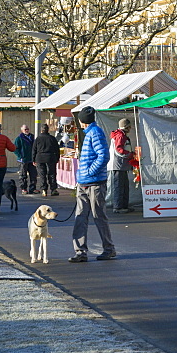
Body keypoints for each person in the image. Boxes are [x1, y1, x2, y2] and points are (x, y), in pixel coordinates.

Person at [69, 106, 115, 262]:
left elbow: (104, 156)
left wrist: (88, 172)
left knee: (97, 216)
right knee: (81, 217)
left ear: (82, 121)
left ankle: (107, 249)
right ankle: (81, 251)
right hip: (84, 182)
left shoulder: (95, 133)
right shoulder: (91, 133)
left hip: (94, 182)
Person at [110, 118, 135, 213]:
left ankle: (124, 206)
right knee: (119, 186)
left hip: (121, 165)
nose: (130, 128)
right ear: (126, 127)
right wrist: (130, 154)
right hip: (119, 164)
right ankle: (118, 207)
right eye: (129, 127)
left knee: (124, 186)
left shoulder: (120, 135)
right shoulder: (120, 136)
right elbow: (119, 150)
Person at [33, 123, 62, 197]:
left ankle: (44, 190)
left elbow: (34, 150)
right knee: (52, 173)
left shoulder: (38, 139)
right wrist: (57, 158)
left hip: (40, 158)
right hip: (51, 157)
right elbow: (57, 149)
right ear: (47, 130)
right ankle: (53, 189)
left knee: (42, 174)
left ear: (41, 130)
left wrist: (33, 159)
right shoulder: (52, 138)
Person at [15, 124, 38, 195]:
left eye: (27, 129)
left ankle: (32, 188)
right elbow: (15, 149)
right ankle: (24, 188)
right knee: (23, 175)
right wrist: (20, 156)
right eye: (25, 129)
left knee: (33, 174)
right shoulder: (19, 138)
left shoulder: (33, 137)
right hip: (23, 160)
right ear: (22, 130)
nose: (27, 130)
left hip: (32, 159)